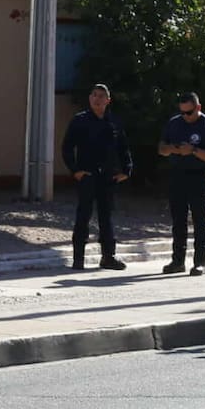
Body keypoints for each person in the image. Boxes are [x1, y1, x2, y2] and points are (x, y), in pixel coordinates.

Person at [61, 84, 133, 270]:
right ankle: (78, 259)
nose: (97, 99)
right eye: (94, 95)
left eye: (101, 96)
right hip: (87, 174)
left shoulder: (114, 121)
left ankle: (108, 256)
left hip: (108, 176)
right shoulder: (80, 120)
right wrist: (75, 170)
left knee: (106, 217)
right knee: (83, 216)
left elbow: (123, 147)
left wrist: (126, 170)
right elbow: (67, 147)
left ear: (108, 100)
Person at [158, 92, 205, 276]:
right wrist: (173, 149)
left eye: (189, 112)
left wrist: (193, 150)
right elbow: (161, 148)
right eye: (183, 112)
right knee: (178, 219)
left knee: (199, 219)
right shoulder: (174, 123)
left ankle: (200, 262)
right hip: (178, 175)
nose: (186, 116)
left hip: (199, 176)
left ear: (198, 108)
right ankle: (177, 261)